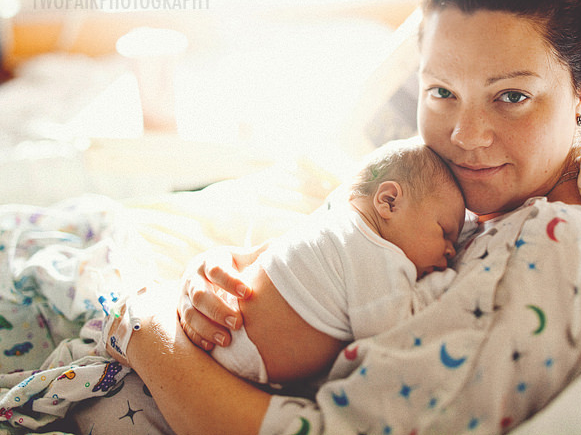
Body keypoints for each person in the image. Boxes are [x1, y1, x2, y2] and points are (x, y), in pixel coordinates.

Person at [86, 0, 581, 434]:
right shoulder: (472, 193)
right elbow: (335, 242)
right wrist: (225, 273)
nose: (465, 135)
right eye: (441, 91)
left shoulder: (557, 249)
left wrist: (142, 320)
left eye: (511, 96)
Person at [107, 138, 465, 386]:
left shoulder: (338, 220)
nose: (451, 251)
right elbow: (391, 329)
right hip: (231, 354)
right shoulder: (377, 254)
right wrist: (444, 283)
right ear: (388, 201)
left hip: (219, 337)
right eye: (445, 232)